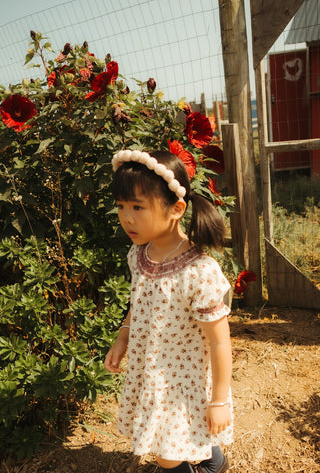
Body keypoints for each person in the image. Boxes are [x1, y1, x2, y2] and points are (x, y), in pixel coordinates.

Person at [104, 149, 233, 473]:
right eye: (121, 206)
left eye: (137, 207)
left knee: (166, 454)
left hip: (182, 382)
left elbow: (220, 342)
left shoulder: (198, 271)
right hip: (152, 375)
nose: (127, 217)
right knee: (182, 437)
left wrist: (218, 401)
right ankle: (215, 463)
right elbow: (138, 303)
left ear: (176, 209)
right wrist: (123, 338)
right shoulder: (139, 254)